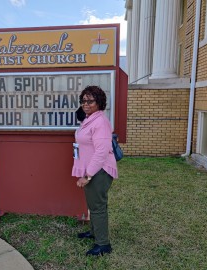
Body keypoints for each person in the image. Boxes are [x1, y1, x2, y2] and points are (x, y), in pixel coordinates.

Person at [72, 85, 118, 256]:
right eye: (83, 101)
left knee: (97, 207)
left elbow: (101, 152)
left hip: (99, 171)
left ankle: (103, 245)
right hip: (92, 169)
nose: (86, 104)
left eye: (90, 101)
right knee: (94, 205)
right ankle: (95, 233)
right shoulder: (89, 119)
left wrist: (87, 175)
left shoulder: (100, 122)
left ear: (99, 102)